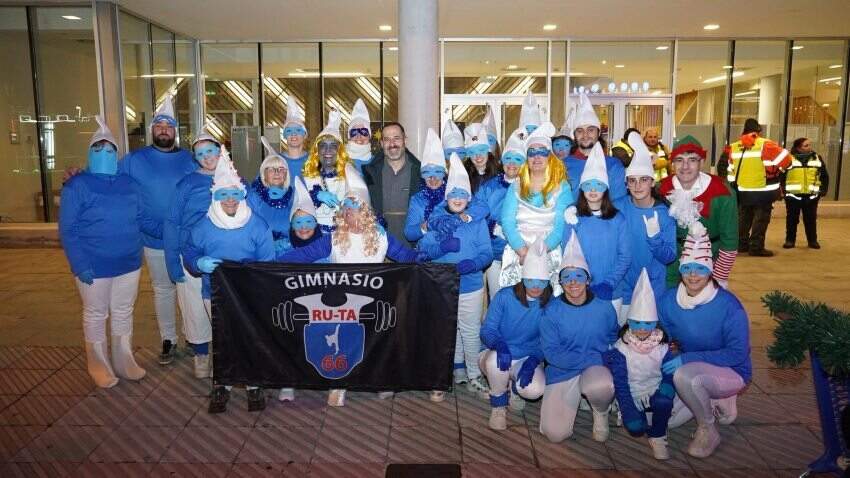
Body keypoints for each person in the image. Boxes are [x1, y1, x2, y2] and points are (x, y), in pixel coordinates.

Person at [279, 164, 426, 407]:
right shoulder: (334, 237)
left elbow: (404, 256)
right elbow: (305, 255)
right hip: (341, 302)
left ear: (366, 211)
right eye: (346, 208)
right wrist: (269, 263)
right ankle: (339, 383)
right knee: (341, 340)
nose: (349, 213)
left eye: (355, 208)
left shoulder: (381, 237)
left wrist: (419, 258)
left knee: (380, 337)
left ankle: (381, 379)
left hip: (374, 298)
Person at [183, 149, 275, 414]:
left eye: (235, 194)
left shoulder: (257, 225)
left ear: (242, 196)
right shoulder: (204, 225)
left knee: (249, 336)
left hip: (249, 293)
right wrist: (197, 264)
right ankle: (221, 383)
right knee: (222, 338)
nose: (230, 200)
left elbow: (266, 261)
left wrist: (258, 285)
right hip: (214, 292)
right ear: (215, 197)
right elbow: (190, 251)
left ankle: (252, 383)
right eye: (224, 195)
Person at [59, 116, 148, 388]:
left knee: (123, 310)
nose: (104, 152)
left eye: (109, 148)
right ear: (89, 152)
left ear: (117, 154)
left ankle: (124, 358)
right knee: (96, 312)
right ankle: (97, 362)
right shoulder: (78, 185)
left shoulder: (129, 184)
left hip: (129, 262)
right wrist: (79, 263)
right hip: (94, 265)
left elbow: (143, 218)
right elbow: (68, 229)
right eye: (98, 148)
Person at [659, 222, 752, 458]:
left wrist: (688, 358)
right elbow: (667, 338)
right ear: (680, 270)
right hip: (693, 366)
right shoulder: (669, 300)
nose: (693, 275)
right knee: (666, 421)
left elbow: (737, 354)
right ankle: (712, 399)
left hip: (732, 370)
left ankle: (708, 428)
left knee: (686, 378)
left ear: (710, 271)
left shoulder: (729, 306)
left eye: (699, 269)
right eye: (687, 268)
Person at [119, 94, 197, 365]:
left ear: (176, 131)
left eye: (169, 126)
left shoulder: (190, 159)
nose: (164, 129)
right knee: (163, 289)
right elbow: (113, 184)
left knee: (188, 289)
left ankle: (193, 336)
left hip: (187, 240)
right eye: (159, 125)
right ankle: (168, 339)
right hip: (153, 239)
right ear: (152, 130)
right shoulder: (133, 160)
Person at [418, 152, 494, 398]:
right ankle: (440, 377)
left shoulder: (477, 222)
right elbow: (423, 251)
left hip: (470, 284)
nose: (458, 199)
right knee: (442, 330)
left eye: (463, 195)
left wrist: (473, 264)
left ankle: (473, 375)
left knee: (470, 330)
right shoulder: (436, 220)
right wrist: (441, 248)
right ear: (447, 197)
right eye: (454, 195)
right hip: (440, 284)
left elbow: (487, 253)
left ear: (468, 198)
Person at [539, 231, 618, 443]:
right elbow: (552, 354)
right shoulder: (551, 311)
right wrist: (593, 359)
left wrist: (602, 362)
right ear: (560, 283)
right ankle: (577, 397)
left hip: (595, 370)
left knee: (601, 386)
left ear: (588, 280)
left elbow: (612, 336)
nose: (573, 283)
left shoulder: (604, 308)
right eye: (567, 278)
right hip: (562, 371)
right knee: (555, 434)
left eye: (579, 277)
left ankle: (600, 411)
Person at [163, 125, 222, 379]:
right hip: (190, 254)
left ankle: (224, 355)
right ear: (195, 158)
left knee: (222, 309)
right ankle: (201, 354)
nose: (208, 157)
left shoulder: (234, 178)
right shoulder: (187, 183)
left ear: (221, 151)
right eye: (201, 154)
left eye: (211, 151)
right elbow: (172, 221)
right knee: (194, 307)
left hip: (223, 255)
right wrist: (172, 262)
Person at [602, 269, 676, 460]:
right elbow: (620, 382)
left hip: (655, 390)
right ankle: (640, 414)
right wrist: (627, 407)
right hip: (632, 393)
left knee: (664, 401)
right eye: (637, 323)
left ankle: (658, 434)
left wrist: (668, 383)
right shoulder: (621, 348)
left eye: (647, 323)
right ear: (629, 322)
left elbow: (669, 370)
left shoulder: (662, 346)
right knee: (636, 426)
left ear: (655, 323)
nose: (642, 329)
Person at [479, 237, 548, 430]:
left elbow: (549, 340)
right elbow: (488, 329)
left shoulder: (551, 304)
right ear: (523, 278)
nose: (535, 286)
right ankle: (498, 405)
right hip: (498, 354)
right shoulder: (505, 296)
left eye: (541, 282)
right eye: (531, 281)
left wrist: (535, 359)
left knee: (534, 390)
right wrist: (498, 344)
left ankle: (516, 390)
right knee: (494, 362)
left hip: (526, 357)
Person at [499, 122, 573, 291]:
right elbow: (507, 221)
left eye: (542, 152)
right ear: (527, 158)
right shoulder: (516, 185)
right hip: (517, 253)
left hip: (548, 252)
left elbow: (561, 226)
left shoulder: (563, 187)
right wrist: (523, 251)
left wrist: (539, 253)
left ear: (550, 157)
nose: (537, 157)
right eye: (532, 153)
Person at [563, 142, 631, 319]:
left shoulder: (618, 219)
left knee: (609, 336)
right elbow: (568, 253)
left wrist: (609, 283)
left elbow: (625, 256)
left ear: (606, 189)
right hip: (580, 290)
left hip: (611, 290)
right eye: (588, 185)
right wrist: (579, 282)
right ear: (582, 188)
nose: (593, 190)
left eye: (598, 185)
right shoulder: (572, 217)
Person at [659, 135, 738, 289]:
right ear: (673, 163)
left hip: (709, 261)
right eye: (680, 160)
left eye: (692, 160)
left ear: (702, 162)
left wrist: (719, 278)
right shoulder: (661, 190)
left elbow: (730, 241)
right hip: (670, 263)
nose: (685, 166)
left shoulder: (722, 192)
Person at [617, 132, 676, 322]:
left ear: (652, 182)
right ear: (626, 184)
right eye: (632, 180)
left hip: (652, 287)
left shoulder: (665, 214)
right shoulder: (619, 207)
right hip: (624, 286)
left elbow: (669, 257)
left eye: (643, 179)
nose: (637, 185)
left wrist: (654, 238)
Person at [719, 118, 792, 257]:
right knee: (761, 219)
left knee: (744, 218)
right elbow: (786, 159)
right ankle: (756, 247)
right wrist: (779, 168)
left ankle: (741, 245)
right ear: (758, 131)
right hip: (763, 190)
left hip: (743, 190)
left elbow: (728, 169)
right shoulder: (765, 144)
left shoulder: (734, 146)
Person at [476, 129, 526, 299]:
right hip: (495, 254)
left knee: (520, 299)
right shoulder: (488, 187)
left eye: (517, 160)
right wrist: (492, 228)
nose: (512, 164)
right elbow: (476, 214)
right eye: (508, 159)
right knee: (497, 298)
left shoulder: (531, 188)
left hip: (523, 255)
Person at [362, 122, 421, 245]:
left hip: (413, 248)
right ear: (382, 144)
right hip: (380, 247)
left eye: (396, 138)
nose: (392, 144)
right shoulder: (370, 174)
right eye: (387, 139)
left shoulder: (420, 173)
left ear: (405, 140)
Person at [565, 92, 627, 203]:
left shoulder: (614, 166)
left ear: (598, 133)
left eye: (590, 130)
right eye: (580, 131)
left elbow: (619, 202)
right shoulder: (562, 165)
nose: (585, 135)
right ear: (574, 135)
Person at [303, 110, 350, 232]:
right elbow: (298, 207)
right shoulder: (308, 178)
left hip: (342, 235)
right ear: (317, 151)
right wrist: (314, 195)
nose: (327, 150)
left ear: (339, 151)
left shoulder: (349, 178)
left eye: (333, 146)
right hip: (314, 236)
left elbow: (360, 204)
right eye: (323, 146)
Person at [403, 128, 449, 244]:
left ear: (444, 174)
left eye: (437, 173)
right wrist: (425, 226)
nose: (432, 179)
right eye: (427, 174)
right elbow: (409, 233)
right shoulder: (417, 199)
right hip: (428, 253)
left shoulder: (455, 194)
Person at [782, 137, 829, 249]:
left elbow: (824, 176)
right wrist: (783, 191)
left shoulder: (817, 158)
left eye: (809, 145)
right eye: (806, 145)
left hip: (811, 196)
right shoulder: (789, 159)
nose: (809, 147)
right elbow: (781, 176)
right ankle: (790, 241)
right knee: (792, 220)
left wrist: (823, 190)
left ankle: (812, 241)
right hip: (793, 196)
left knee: (811, 220)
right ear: (798, 147)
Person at [248, 137, 293, 254]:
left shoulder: (294, 195)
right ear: (264, 174)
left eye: (281, 169)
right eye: (272, 169)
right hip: (261, 255)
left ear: (286, 174)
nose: (277, 173)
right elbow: (247, 228)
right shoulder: (253, 197)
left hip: (290, 255)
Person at [463, 122, 500, 194]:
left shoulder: (500, 174)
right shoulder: (464, 177)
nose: (478, 156)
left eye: (481, 150)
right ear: (468, 155)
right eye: (472, 152)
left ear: (488, 151)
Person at [281, 96, 310, 182]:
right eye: (289, 131)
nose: (293, 134)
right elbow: (257, 187)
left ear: (305, 135)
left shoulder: (313, 161)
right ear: (285, 135)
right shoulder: (276, 161)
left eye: (298, 130)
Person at [346, 99, 374, 174]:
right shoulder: (340, 160)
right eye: (354, 132)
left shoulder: (377, 163)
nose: (359, 136)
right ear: (349, 137)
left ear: (369, 136)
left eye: (364, 132)